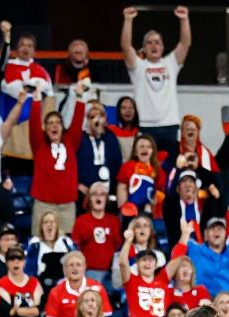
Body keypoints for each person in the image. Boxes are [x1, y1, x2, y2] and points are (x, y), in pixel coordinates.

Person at [120, 6, 192, 155]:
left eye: (158, 42)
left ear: (163, 47)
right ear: (144, 48)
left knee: (170, 168)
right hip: (146, 125)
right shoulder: (138, 66)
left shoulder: (170, 63)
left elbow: (185, 43)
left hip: (170, 124)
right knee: (147, 167)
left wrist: (184, 19)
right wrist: (128, 20)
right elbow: (125, 46)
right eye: (150, 42)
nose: (154, 45)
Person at [28, 82, 86, 236]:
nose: (54, 126)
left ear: (62, 127)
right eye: (50, 123)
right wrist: (37, 99)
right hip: (43, 204)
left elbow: (78, 121)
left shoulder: (71, 142)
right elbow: (33, 123)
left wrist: (80, 96)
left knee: (66, 246)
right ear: (45, 128)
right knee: (39, 243)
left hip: (67, 206)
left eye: (57, 123)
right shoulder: (39, 145)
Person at [77, 100, 123, 201]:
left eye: (100, 116)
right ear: (87, 120)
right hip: (84, 194)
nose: (96, 120)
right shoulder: (80, 138)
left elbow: (117, 166)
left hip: (107, 194)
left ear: (105, 118)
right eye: (92, 117)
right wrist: (79, 186)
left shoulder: (111, 138)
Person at [28, 211, 77, 292]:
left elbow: (77, 262)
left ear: (57, 226)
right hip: (41, 285)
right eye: (46, 222)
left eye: (52, 222)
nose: (49, 224)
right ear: (41, 227)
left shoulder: (67, 242)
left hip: (66, 285)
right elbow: (29, 270)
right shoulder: (34, 244)